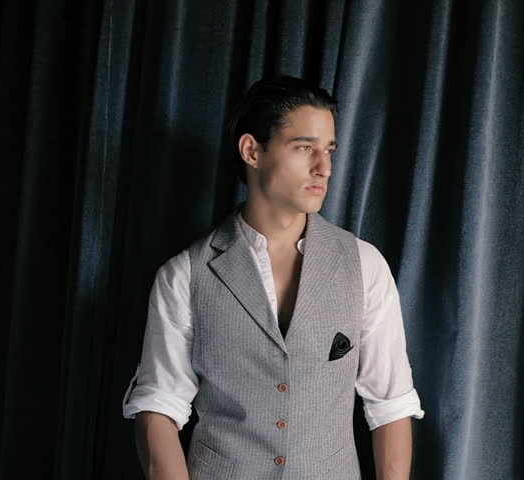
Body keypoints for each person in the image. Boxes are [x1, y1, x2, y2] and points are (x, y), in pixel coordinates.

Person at [122, 75, 424, 479]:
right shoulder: (184, 274)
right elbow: (159, 406)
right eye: (304, 148)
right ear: (252, 151)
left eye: (329, 149)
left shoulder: (364, 265)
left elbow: (391, 405)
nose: (325, 167)